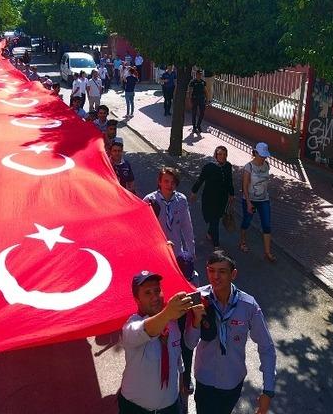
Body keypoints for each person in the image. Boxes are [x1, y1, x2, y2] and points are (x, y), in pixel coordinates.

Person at [186, 252, 276, 414]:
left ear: (233, 274)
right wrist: (195, 321)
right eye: (211, 270)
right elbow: (189, 344)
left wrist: (268, 390)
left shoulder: (248, 305)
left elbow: (266, 347)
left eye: (222, 271)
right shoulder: (198, 299)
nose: (215, 277)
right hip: (205, 378)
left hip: (232, 380)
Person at [118, 270, 203, 414]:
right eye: (147, 293)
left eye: (157, 291)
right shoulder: (131, 325)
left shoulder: (172, 323)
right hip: (135, 409)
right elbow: (145, 330)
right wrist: (168, 313)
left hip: (170, 407)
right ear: (136, 299)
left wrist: (196, 321)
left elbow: (180, 355)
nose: (155, 297)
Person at [143, 167, 195, 280]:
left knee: (176, 279)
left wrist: (190, 250)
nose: (169, 185)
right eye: (166, 181)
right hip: (157, 250)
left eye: (173, 182)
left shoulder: (181, 200)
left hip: (175, 250)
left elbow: (187, 226)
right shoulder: (149, 200)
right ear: (159, 182)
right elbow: (142, 228)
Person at [191, 146, 235, 248]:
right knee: (214, 220)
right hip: (210, 199)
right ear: (215, 155)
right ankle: (216, 245)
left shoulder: (228, 166)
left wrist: (232, 194)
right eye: (220, 154)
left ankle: (210, 233)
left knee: (217, 218)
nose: (222, 157)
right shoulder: (209, 166)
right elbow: (200, 180)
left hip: (222, 199)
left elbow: (229, 181)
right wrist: (194, 192)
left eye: (224, 154)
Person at [238, 142, 276, 263]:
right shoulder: (248, 167)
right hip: (250, 200)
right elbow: (244, 186)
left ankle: (267, 252)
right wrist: (248, 203)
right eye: (262, 155)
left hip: (264, 199)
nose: (264, 157)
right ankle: (242, 241)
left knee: (267, 225)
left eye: (265, 155)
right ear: (256, 153)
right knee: (247, 221)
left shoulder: (267, 165)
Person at [188, 69, 207, 134]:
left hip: (201, 99)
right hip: (195, 99)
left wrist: (207, 99)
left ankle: (198, 125)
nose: (199, 75)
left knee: (202, 113)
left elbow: (205, 91)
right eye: (198, 74)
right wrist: (190, 100)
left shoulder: (203, 82)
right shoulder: (193, 82)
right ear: (196, 75)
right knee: (194, 113)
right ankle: (194, 127)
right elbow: (190, 91)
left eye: (200, 74)